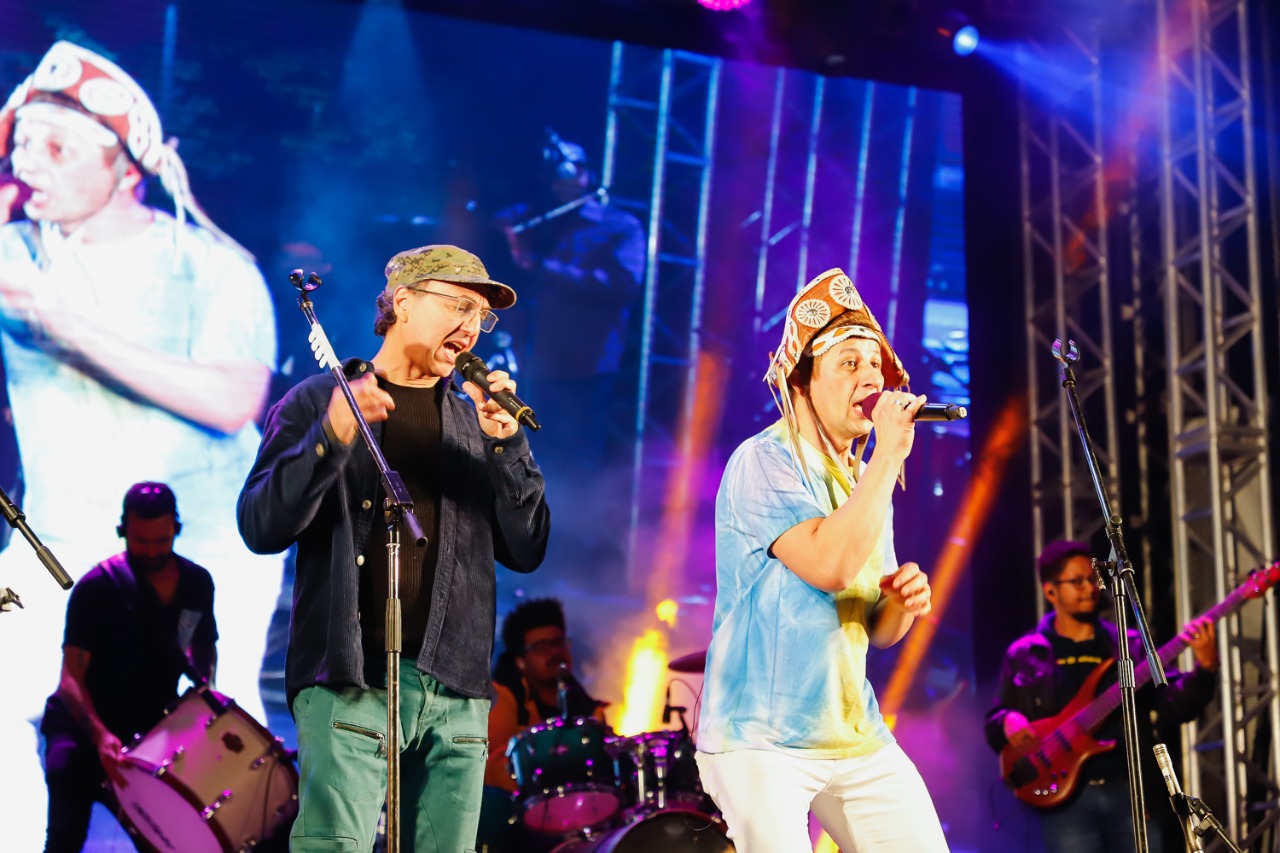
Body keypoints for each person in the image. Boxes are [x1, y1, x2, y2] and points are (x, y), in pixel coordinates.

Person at [0, 41, 281, 847]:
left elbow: (233, 399)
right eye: (23, 142)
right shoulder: (17, 250)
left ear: (127, 169)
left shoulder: (211, 268)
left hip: (197, 551)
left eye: (58, 149)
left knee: (209, 760)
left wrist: (63, 324)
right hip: (58, 544)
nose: (31, 163)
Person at [237, 243, 551, 852]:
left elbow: (528, 548)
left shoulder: (477, 424)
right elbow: (260, 525)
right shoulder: (321, 401)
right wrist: (331, 435)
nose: (471, 327)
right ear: (403, 302)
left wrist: (508, 448)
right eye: (458, 305)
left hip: (454, 688)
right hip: (351, 677)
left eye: (481, 316)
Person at [695, 267, 949, 852]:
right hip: (761, 740)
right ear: (803, 382)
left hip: (853, 734)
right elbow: (830, 567)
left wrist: (902, 603)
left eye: (875, 363)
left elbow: (876, 631)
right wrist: (888, 456)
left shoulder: (863, 481)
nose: (871, 376)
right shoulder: (763, 461)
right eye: (849, 362)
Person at [984, 540, 1219, 853]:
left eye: (1092, 579)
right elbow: (996, 718)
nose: (1089, 588)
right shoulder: (1025, 653)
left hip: (1130, 794)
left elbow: (1175, 706)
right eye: (1076, 581)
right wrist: (1007, 722)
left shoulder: (1129, 646)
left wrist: (1206, 669)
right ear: (1051, 591)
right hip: (1064, 803)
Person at [495, 131, 644, 574]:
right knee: (529, 453)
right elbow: (496, 221)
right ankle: (524, 549)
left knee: (577, 462)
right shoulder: (541, 220)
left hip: (585, 364)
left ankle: (571, 559)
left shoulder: (618, 225)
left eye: (568, 174)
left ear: (585, 176)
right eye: (553, 176)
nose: (559, 183)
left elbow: (623, 284)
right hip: (536, 360)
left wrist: (545, 268)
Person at [40, 482, 216, 853]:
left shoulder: (197, 583)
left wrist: (202, 698)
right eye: (141, 541)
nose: (151, 551)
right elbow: (70, 681)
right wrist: (100, 736)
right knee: (64, 836)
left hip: (148, 731)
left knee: (166, 841)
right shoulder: (96, 588)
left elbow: (203, 650)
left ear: (176, 530)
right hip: (81, 730)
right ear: (123, 531)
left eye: (161, 540)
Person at [484, 597, 609, 792]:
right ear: (520, 662)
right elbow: (490, 766)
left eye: (559, 642)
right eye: (541, 647)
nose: (555, 652)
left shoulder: (588, 709)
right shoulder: (503, 698)